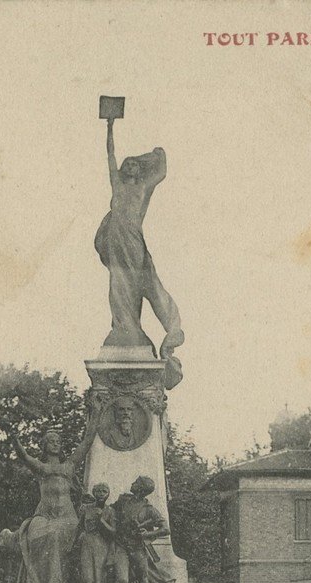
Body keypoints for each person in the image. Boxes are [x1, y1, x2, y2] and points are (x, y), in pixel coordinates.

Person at [95, 117, 184, 387]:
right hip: (115, 236)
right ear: (123, 169)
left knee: (134, 283)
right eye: (128, 163)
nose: (131, 166)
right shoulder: (117, 184)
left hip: (133, 238)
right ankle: (124, 328)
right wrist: (110, 128)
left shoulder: (143, 187)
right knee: (118, 282)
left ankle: (131, 328)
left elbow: (162, 170)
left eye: (136, 164)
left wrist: (157, 154)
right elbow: (110, 155)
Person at [2, 414, 101, 583]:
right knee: (41, 536)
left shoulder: (69, 465)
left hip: (67, 517)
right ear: (45, 446)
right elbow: (24, 456)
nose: (55, 444)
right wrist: (14, 439)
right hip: (45, 515)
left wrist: (97, 414)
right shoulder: (41, 467)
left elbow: (87, 441)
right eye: (51, 442)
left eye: (58, 441)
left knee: (68, 539)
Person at [110, 476, 174, 583]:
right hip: (121, 545)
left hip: (138, 547)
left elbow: (165, 529)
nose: (132, 483)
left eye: (136, 482)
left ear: (141, 489)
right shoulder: (123, 501)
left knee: (144, 580)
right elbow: (110, 510)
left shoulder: (149, 509)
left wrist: (148, 534)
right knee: (122, 580)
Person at [76, 483, 116, 583]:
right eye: (98, 491)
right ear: (93, 492)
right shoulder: (86, 508)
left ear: (108, 494)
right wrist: (72, 545)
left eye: (104, 491)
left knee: (100, 577)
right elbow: (79, 527)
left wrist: (101, 521)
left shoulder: (110, 510)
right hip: (87, 543)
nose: (100, 493)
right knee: (87, 576)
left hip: (102, 545)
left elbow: (113, 532)